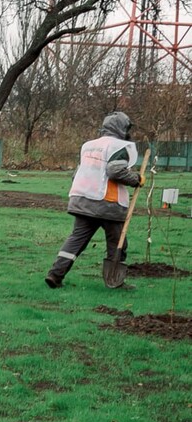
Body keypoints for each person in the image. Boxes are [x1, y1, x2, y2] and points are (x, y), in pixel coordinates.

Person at [44, 111, 143, 289]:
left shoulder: (88, 145)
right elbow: (115, 171)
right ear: (122, 128)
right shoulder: (120, 147)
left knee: (76, 240)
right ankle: (115, 282)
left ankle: (55, 274)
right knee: (117, 242)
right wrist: (136, 179)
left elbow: (78, 173)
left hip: (82, 200)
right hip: (108, 203)